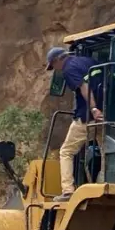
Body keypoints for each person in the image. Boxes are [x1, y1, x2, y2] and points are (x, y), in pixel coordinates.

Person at [46, 46, 103, 202]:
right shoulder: (89, 61)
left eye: (53, 66)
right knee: (105, 151)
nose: (56, 69)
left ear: (57, 60)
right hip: (106, 115)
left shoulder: (68, 69)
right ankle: (104, 183)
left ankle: (68, 191)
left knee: (66, 151)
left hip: (87, 117)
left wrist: (93, 108)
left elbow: (84, 87)